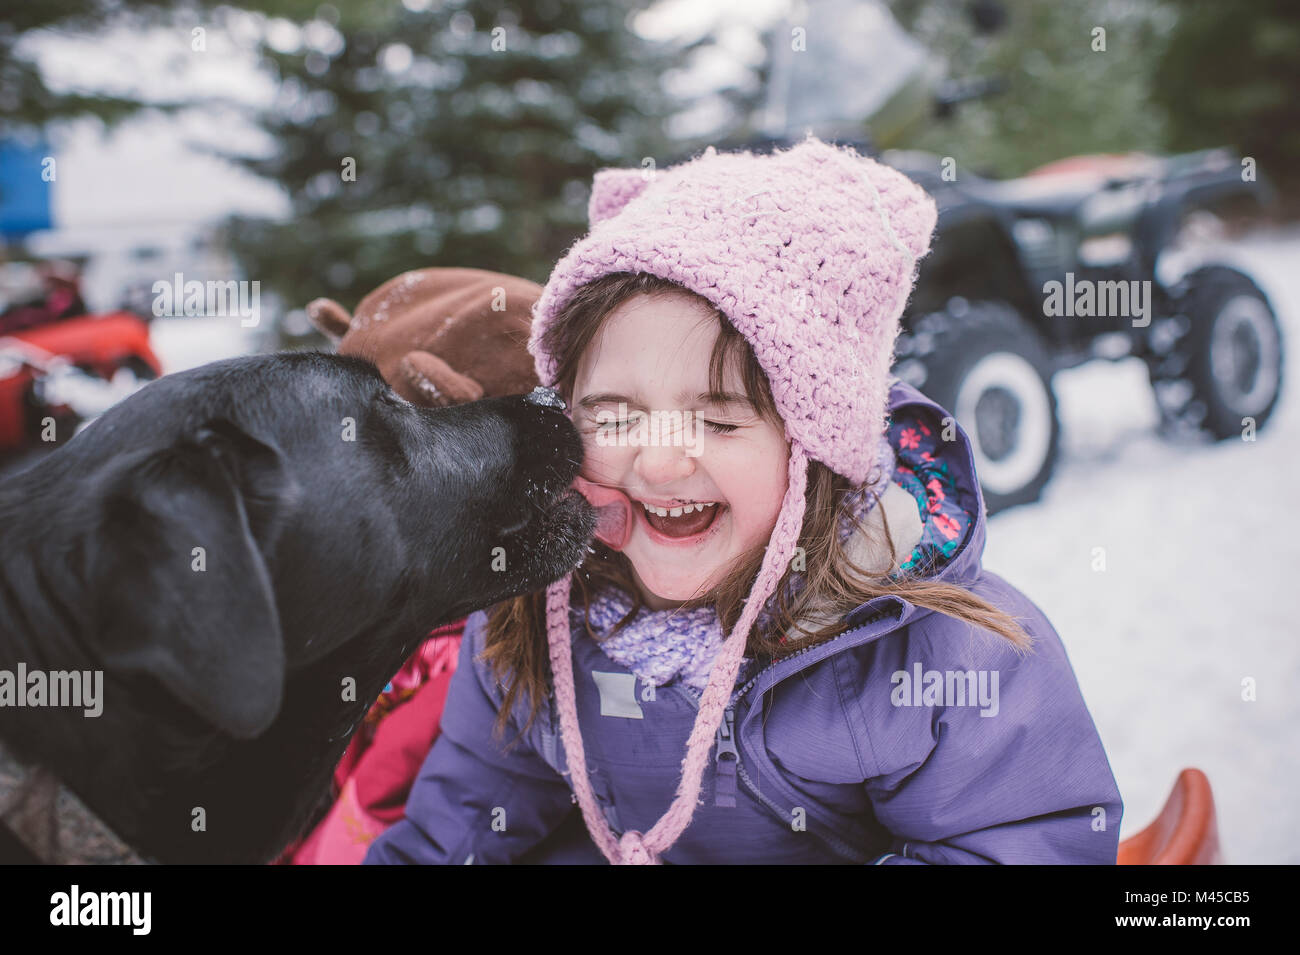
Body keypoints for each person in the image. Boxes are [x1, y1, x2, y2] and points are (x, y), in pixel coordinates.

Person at [365, 135, 1123, 865]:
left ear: (816, 448)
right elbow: (466, 813)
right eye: (616, 415)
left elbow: (1017, 840)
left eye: (717, 420)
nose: (659, 461)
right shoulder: (539, 616)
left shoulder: (932, 649)